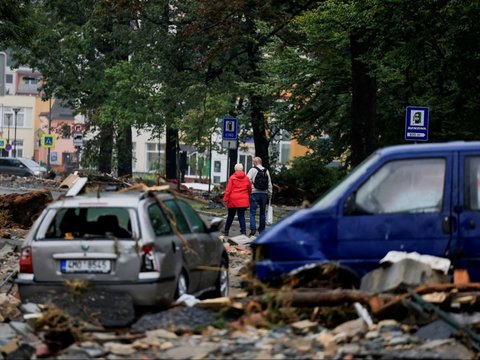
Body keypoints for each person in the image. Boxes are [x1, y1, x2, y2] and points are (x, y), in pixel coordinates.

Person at [222, 163, 252, 238]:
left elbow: (228, 190)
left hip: (233, 199)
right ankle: (243, 232)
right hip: (243, 200)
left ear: (235, 169)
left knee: (230, 216)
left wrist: (225, 199)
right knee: (241, 216)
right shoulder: (247, 178)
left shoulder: (232, 177)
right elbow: (249, 189)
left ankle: (226, 231)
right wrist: (247, 196)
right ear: (242, 169)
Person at [247, 156, 273, 237]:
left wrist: (249, 189)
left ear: (255, 162)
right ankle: (261, 230)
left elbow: (247, 180)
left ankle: (253, 228)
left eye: (253, 162)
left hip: (254, 193)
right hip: (264, 194)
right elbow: (269, 183)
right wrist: (270, 194)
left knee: (252, 213)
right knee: (262, 213)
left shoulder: (252, 170)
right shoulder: (266, 170)